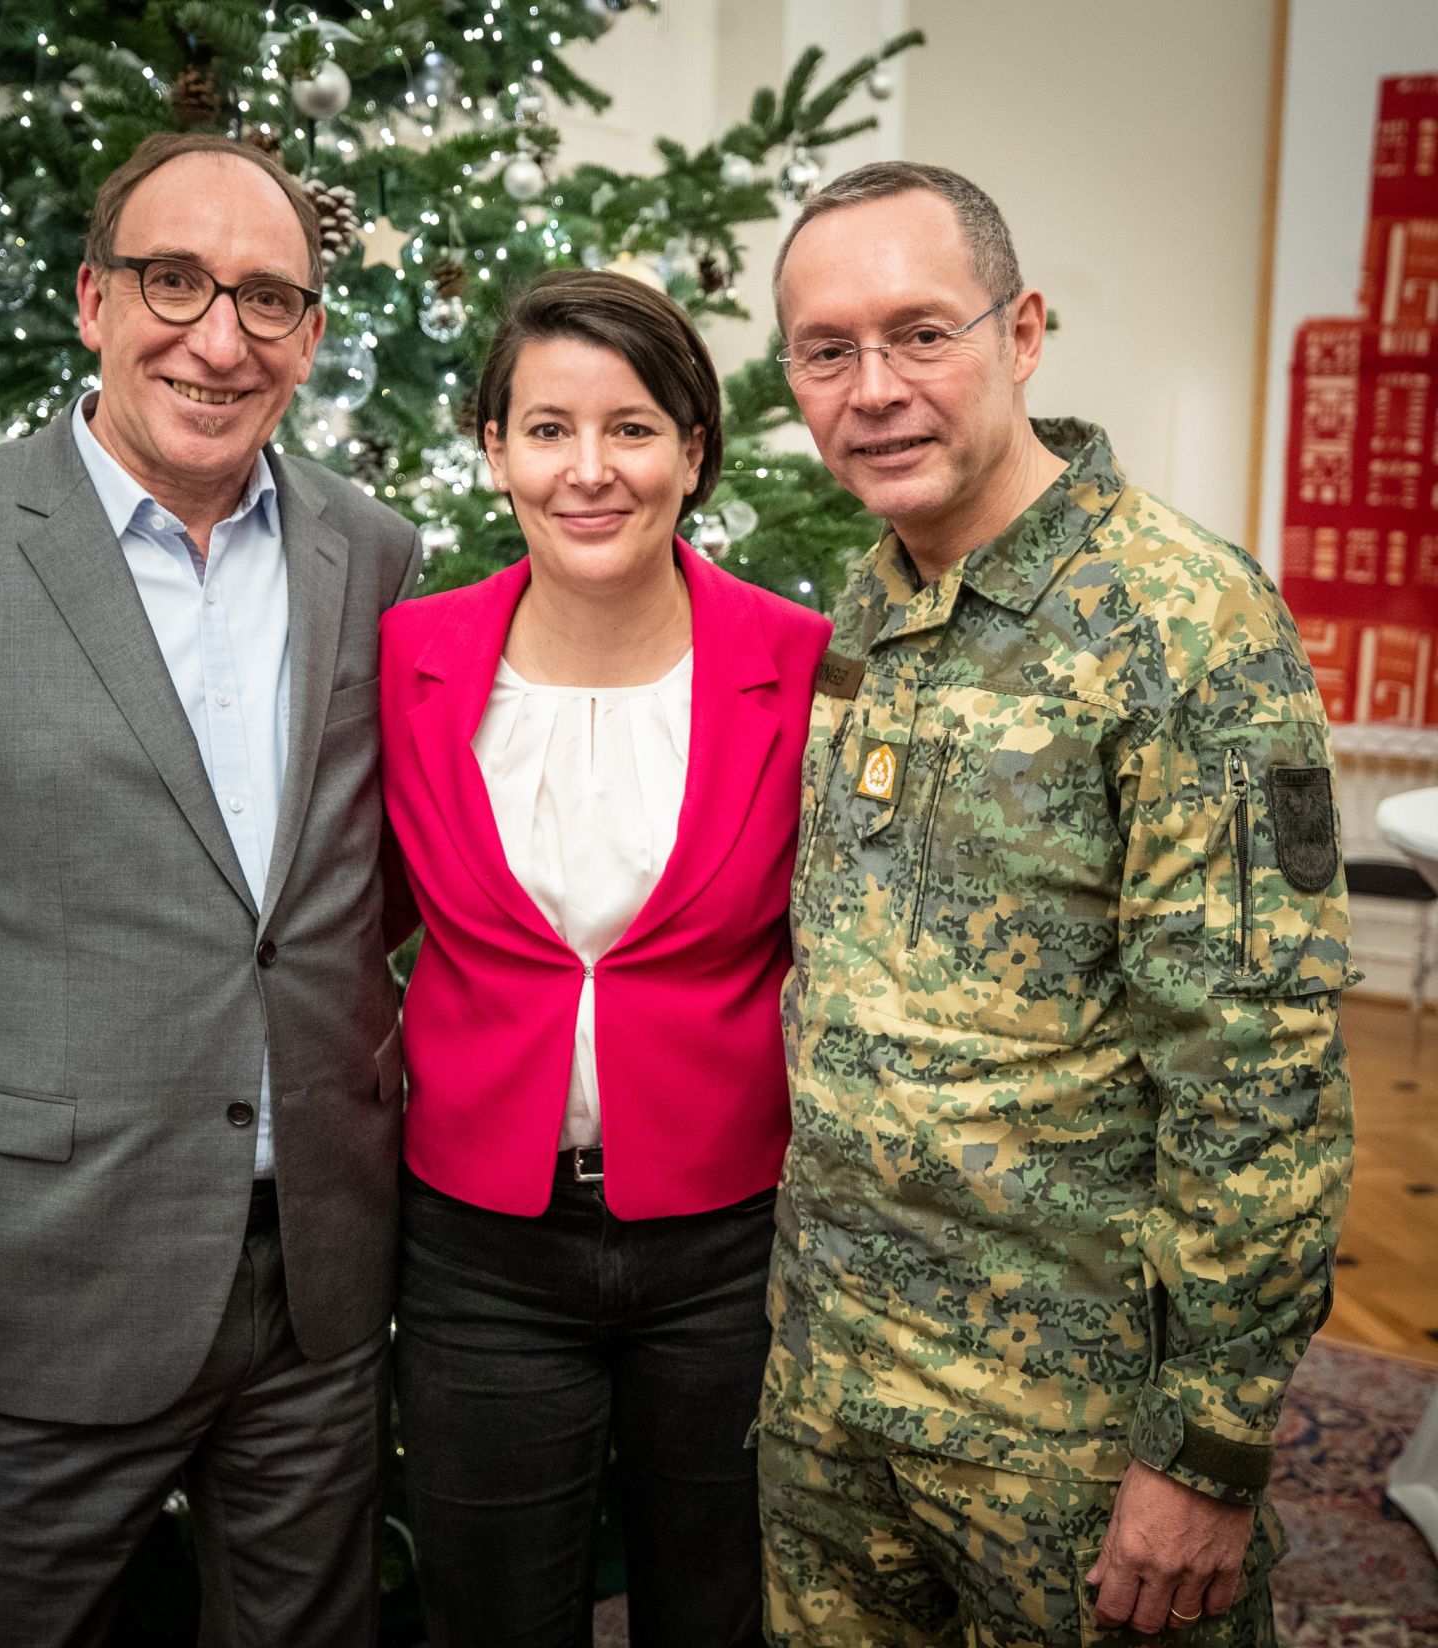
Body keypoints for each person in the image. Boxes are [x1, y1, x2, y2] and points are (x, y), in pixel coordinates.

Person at [0, 131, 421, 1647]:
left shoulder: (372, 552)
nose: (219, 340)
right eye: (173, 281)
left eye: (266, 299)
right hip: (37, 1300)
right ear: (92, 300)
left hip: (320, 1292)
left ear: (311, 332)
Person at [757, 160, 1355, 1647]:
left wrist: (1206, 1449)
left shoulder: (1184, 623)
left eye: (922, 334)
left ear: (1022, 332)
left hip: (1069, 1440)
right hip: (835, 1391)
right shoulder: (870, 601)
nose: (874, 389)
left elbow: (1259, 1075)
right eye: (827, 352)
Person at [378, 269, 831, 1647]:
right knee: (493, 1614)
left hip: (731, 1240)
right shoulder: (406, 659)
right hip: (481, 1247)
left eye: (631, 429)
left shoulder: (802, 662)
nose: (590, 470)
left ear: (692, 453)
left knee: (722, 1608)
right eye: (548, 429)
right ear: (495, 451)